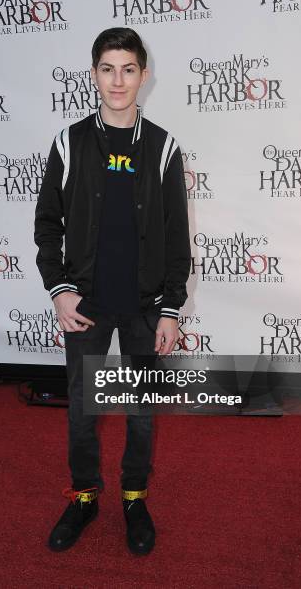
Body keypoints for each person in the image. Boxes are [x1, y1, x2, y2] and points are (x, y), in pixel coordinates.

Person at [34, 27, 191, 555]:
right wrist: (59, 290)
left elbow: (176, 235)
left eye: (128, 69)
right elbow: (47, 224)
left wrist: (171, 309)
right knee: (82, 409)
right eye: (107, 68)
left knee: (140, 412)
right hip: (87, 306)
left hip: (146, 309)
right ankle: (84, 496)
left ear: (143, 75)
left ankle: (133, 496)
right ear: (95, 74)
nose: (117, 80)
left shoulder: (164, 146)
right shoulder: (69, 141)